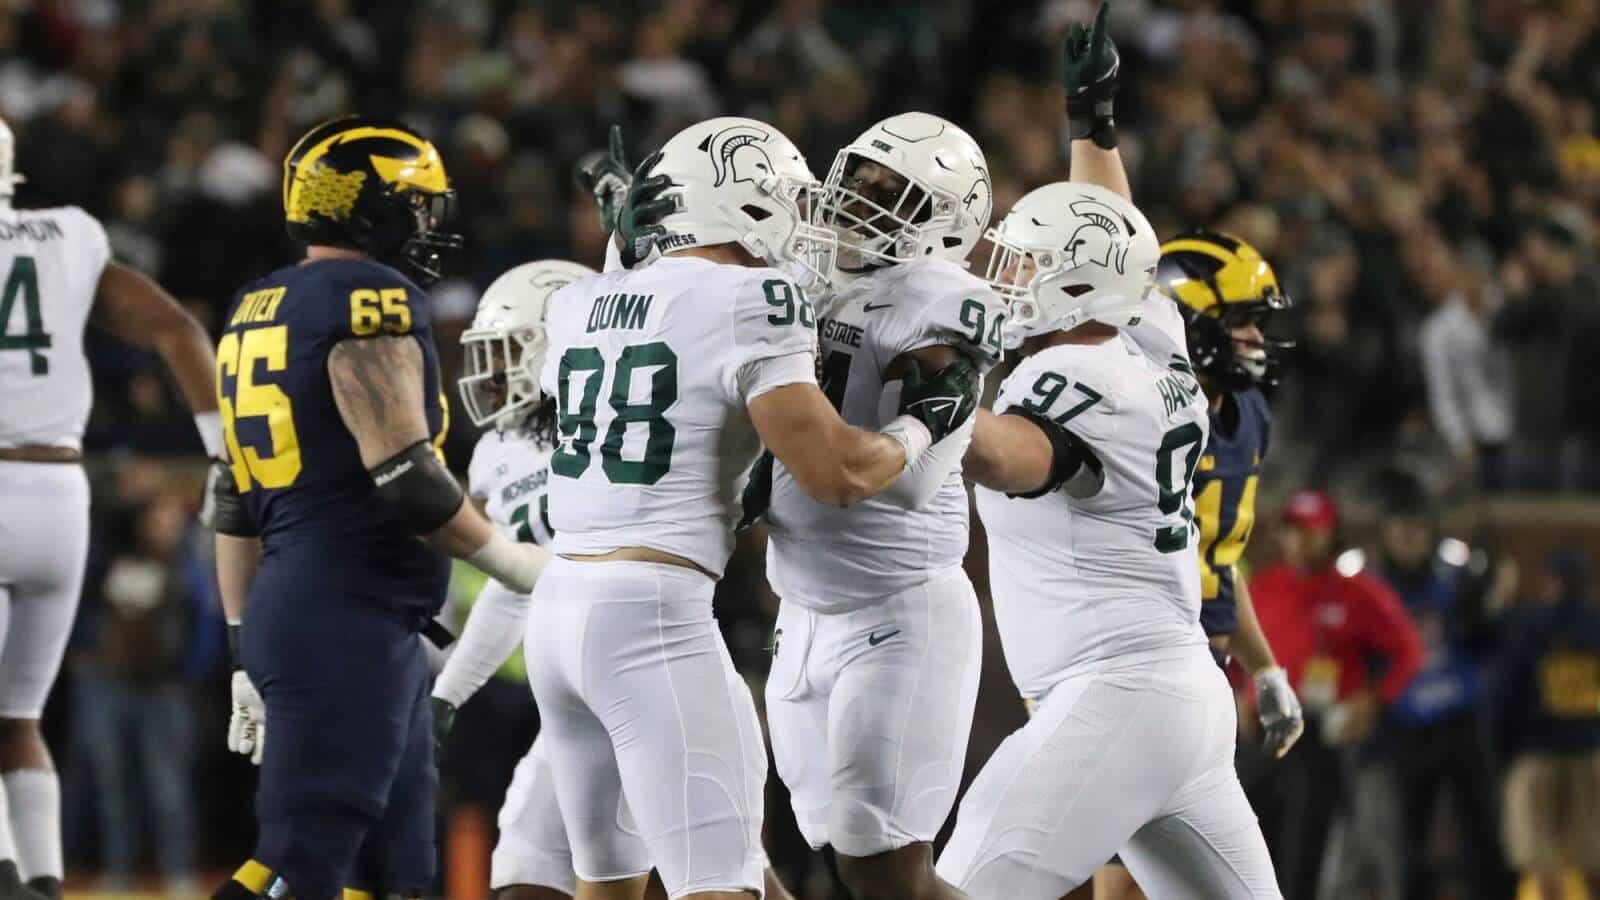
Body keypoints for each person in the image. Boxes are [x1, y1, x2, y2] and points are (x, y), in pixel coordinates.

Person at [524, 116, 980, 900]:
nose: (811, 219)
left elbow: (651, 302)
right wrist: (926, 420)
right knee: (720, 884)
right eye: (789, 201)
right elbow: (836, 473)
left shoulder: (576, 300)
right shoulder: (754, 297)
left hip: (558, 610)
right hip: (651, 617)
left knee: (613, 885)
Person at [208, 116, 551, 900]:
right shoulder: (370, 295)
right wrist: (519, 563)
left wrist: (239, 644)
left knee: (394, 867)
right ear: (372, 205)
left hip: (332, 612)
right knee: (305, 859)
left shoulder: (257, 305)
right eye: (417, 204)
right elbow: (407, 476)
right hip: (343, 612)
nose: (428, 224)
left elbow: (230, 499)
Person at [742, 110, 1000, 900]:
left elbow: (908, 474)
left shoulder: (939, 296)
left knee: (887, 870)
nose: (860, 200)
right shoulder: (802, 273)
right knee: (836, 854)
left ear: (945, 226)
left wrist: (928, 407)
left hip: (897, 606)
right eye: (858, 178)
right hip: (800, 602)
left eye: (893, 192)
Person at [0, 114, 221, 900]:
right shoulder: (68, 234)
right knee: (17, 721)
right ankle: (46, 880)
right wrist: (223, 456)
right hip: (60, 494)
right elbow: (175, 327)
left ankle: (5, 869)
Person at [1093, 229, 1305, 900]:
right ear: (1186, 319)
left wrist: (1264, 667)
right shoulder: (1141, 408)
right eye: (1240, 321)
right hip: (1132, 670)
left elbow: (1218, 561)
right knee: (1123, 878)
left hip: (1203, 675)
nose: (1254, 339)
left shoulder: (1248, 413)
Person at [1248, 489, 1424, 900]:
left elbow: (1409, 653)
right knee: (1251, 850)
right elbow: (1237, 652)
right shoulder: (1264, 587)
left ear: (1331, 534)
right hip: (1262, 738)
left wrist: (1374, 700)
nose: (1301, 541)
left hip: (1319, 742)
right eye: (1293, 531)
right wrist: (1240, 693)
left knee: (1304, 859)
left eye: (1311, 531)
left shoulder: (1358, 593)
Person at [1372, 473, 1511, 900]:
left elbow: (1488, 643)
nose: (1410, 539)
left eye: (1417, 529)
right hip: (1407, 724)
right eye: (1401, 530)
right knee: (1409, 837)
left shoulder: (1458, 575)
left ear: (1430, 531)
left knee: (1483, 829)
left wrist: (1489, 608)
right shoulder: (1372, 587)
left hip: (1460, 719)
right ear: (1386, 534)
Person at [1496, 551, 1600, 900]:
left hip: (1536, 753)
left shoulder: (1528, 626)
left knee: (1540, 859)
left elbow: (1509, 692)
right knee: (1590, 856)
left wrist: (1503, 750)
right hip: (1589, 752)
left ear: (1550, 583)